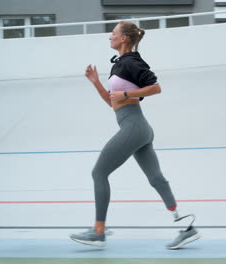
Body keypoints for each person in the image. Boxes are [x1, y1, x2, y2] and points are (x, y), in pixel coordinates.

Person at [69, 21, 200, 249]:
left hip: (134, 127)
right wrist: (96, 83)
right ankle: (186, 227)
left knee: (99, 172)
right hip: (138, 128)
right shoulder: (120, 64)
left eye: (113, 33)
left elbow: (155, 87)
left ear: (124, 38)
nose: (109, 36)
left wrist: (127, 92)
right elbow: (113, 102)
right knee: (156, 179)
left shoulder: (131, 61)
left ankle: (99, 232)